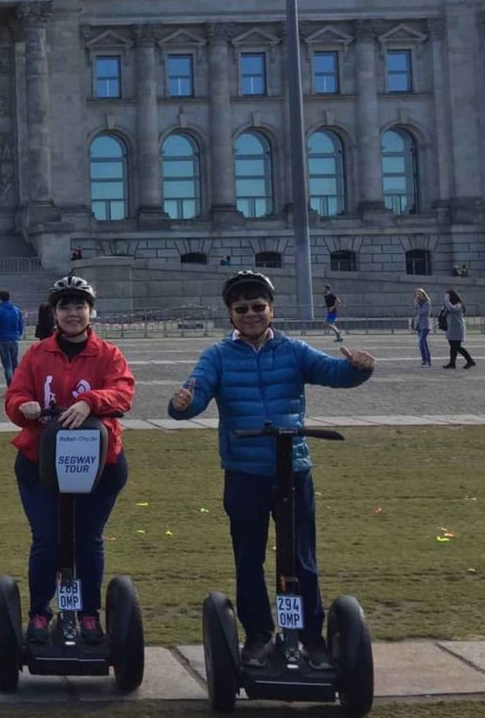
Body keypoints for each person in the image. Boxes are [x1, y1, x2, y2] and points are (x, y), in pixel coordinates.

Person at [168, 270, 375, 671]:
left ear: (271, 310)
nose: (251, 315)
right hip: (245, 471)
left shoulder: (294, 350)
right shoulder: (217, 356)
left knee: (301, 559)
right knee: (249, 558)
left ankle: (309, 638)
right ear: (230, 314)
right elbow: (196, 394)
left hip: (292, 470)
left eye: (258, 307)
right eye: (242, 308)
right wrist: (181, 406)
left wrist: (359, 369)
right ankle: (259, 637)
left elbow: (332, 373)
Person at [3, 274, 135, 645]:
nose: (73, 313)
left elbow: (123, 392)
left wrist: (89, 401)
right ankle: (41, 612)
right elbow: (14, 397)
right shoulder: (37, 353)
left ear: (91, 311)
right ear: (55, 312)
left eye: (80, 305)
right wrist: (23, 406)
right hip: (40, 463)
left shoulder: (108, 354)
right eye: (66, 306)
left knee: (88, 540)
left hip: (99, 464)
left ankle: (88, 612)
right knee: (46, 540)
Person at [0, 289, 26, 387]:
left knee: (7, 364)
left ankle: (11, 386)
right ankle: (17, 384)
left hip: (3, 338)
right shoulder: (16, 309)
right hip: (14, 337)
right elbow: (20, 324)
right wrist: (18, 334)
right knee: (15, 363)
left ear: (0, 298)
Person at [441, 289, 475, 369]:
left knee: (457, 346)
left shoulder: (458, 304)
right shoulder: (449, 304)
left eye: (448, 296)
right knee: (452, 346)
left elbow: (452, 309)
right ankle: (452, 363)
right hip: (451, 328)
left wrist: (446, 299)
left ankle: (470, 360)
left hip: (458, 328)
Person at [413, 289, 433, 367]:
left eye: (419, 294)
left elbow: (423, 312)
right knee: (424, 344)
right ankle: (426, 361)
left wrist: (418, 306)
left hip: (425, 325)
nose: (418, 295)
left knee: (421, 343)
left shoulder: (427, 302)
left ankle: (426, 361)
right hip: (419, 325)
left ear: (423, 294)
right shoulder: (417, 303)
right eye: (417, 294)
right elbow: (415, 310)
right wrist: (416, 302)